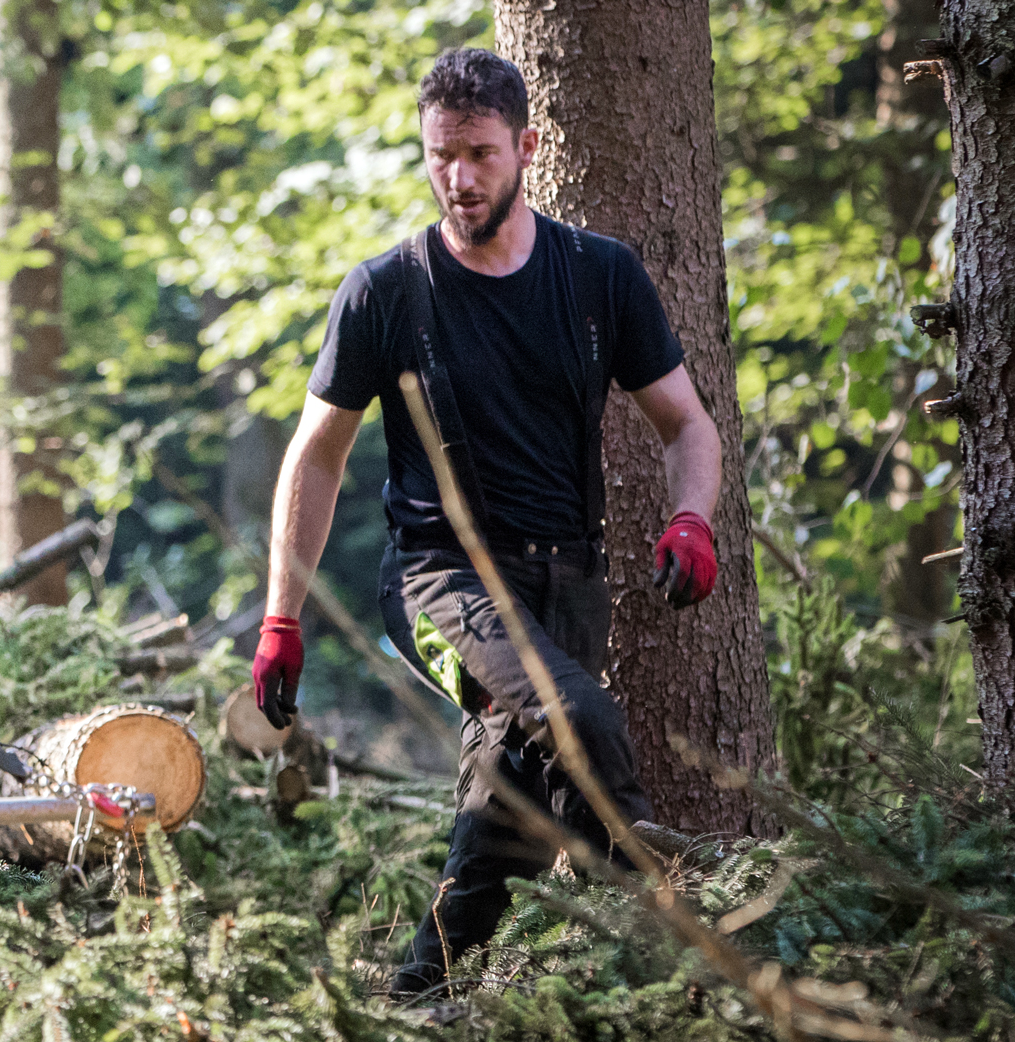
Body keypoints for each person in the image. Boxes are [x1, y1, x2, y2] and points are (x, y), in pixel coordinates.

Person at [248, 47, 724, 998]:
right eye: (441, 156)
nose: (458, 178)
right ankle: (672, 938)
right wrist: (281, 617)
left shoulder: (600, 275)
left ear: (528, 149)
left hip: (568, 582)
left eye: (479, 155)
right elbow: (316, 456)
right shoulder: (386, 291)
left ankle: (417, 1000)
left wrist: (691, 521)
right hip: (439, 582)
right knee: (576, 716)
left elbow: (688, 425)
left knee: (504, 822)